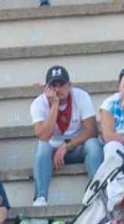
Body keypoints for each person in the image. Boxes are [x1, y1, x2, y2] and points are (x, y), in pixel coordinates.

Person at [30, 63, 98, 209]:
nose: (57, 89)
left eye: (61, 85)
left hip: (77, 146)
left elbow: (92, 130)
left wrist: (67, 146)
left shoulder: (81, 96)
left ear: (69, 85)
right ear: (46, 88)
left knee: (93, 144)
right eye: (53, 85)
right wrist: (54, 105)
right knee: (42, 147)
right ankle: (40, 197)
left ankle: (98, 191)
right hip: (52, 150)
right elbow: (44, 136)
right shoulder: (38, 103)